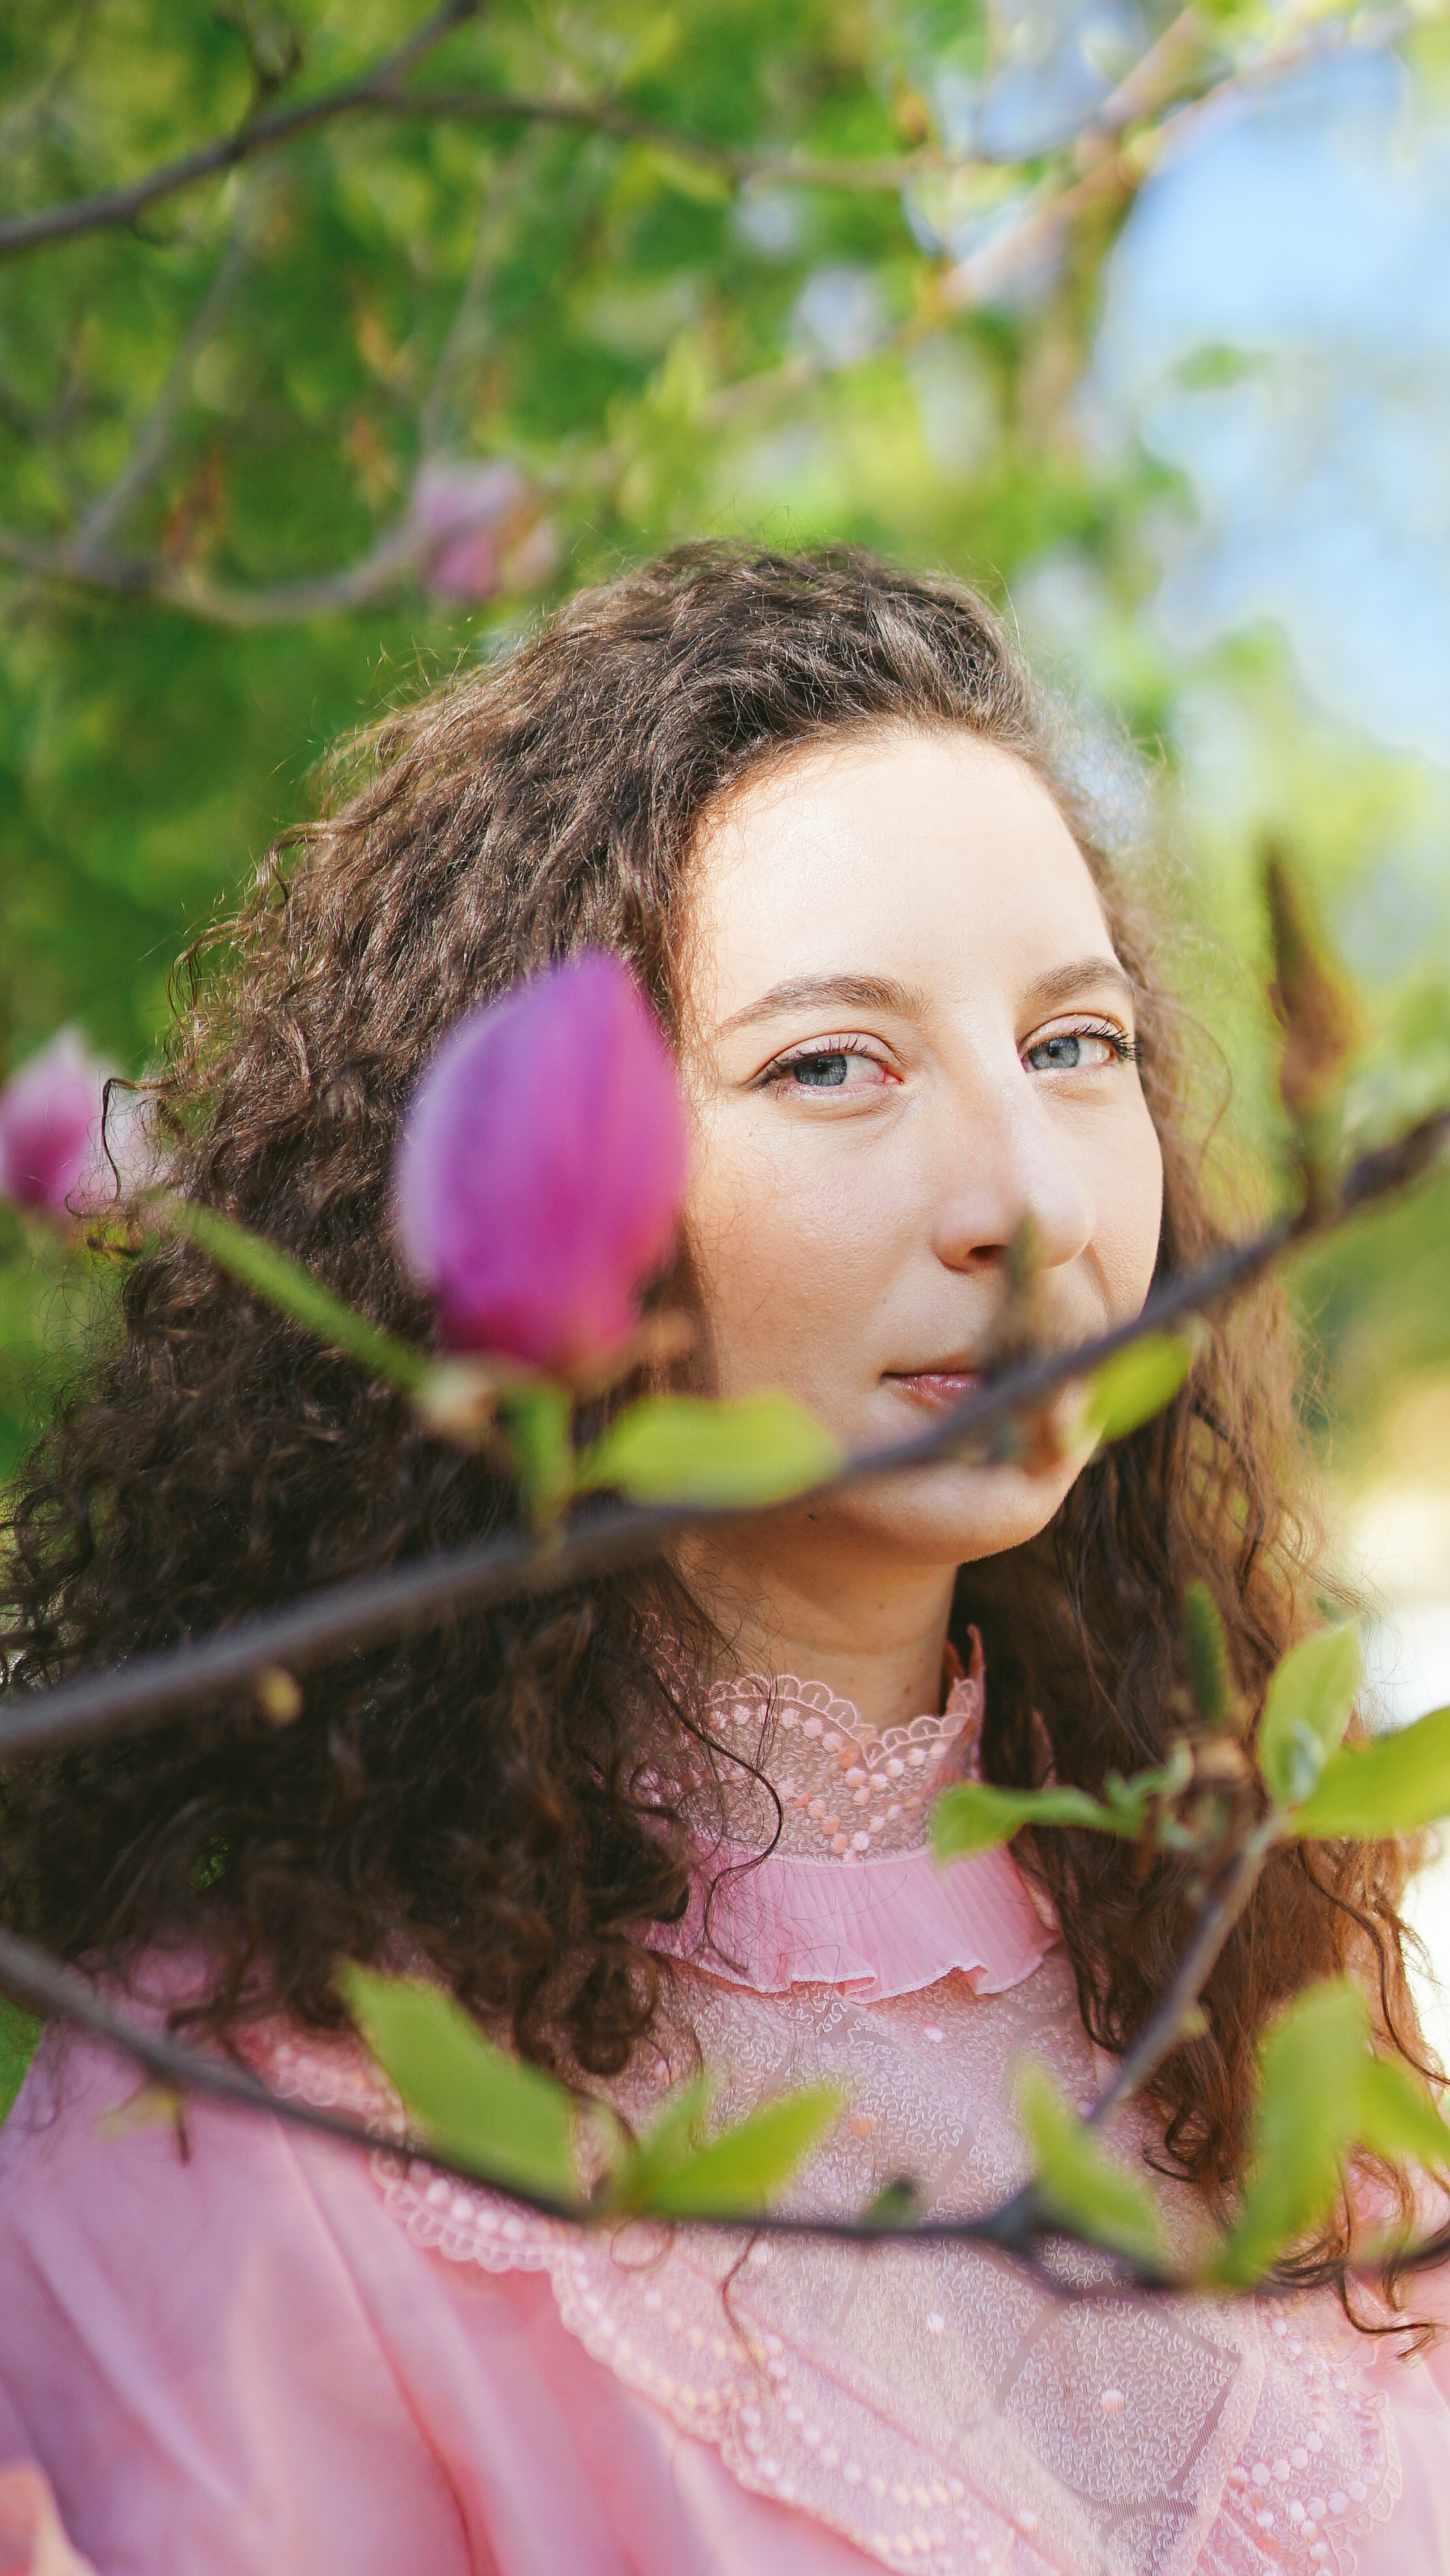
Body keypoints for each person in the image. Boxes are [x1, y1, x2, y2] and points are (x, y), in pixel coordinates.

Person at [0, 545, 1447, 2575]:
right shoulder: (246, 2129)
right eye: (831, 1064)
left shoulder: (1252, 1962)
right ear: (552, 1188)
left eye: (1074, 1047)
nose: (1023, 1199)